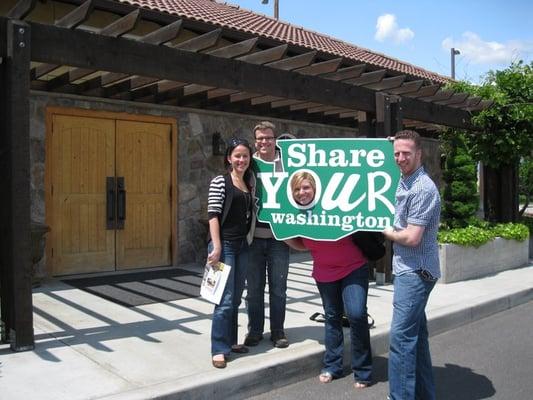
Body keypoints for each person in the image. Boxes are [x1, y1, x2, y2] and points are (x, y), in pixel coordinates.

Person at [286, 171, 372, 389]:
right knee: (332, 317)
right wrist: (284, 234)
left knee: (356, 314)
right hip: (324, 271)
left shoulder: (335, 203)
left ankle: (362, 370)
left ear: (315, 188)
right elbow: (302, 243)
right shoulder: (296, 213)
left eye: (306, 187)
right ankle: (332, 365)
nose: (302, 193)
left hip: (353, 267)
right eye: (297, 189)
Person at [382, 130, 441, 400]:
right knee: (416, 341)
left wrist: (386, 231)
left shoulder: (422, 188)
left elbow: (411, 237)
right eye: (397, 153)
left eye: (406, 153)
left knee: (401, 341)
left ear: (419, 154)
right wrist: (383, 146)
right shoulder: (405, 180)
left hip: (415, 272)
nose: (400, 158)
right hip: (410, 269)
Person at [207, 137, 256, 369]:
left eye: (245, 156)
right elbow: (213, 215)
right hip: (224, 246)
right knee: (224, 300)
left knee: (236, 298)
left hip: (242, 246)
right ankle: (219, 348)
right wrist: (216, 246)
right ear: (229, 158)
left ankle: (231, 342)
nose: (241, 160)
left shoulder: (248, 182)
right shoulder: (220, 181)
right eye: (237, 155)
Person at [245, 121, 292, 349]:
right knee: (253, 288)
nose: (264, 142)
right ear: (256, 141)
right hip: (254, 238)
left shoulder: (288, 164)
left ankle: (277, 331)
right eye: (260, 138)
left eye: (268, 138)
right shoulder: (248, 164)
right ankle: (254, 330)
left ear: (276, 140)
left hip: (279, 239)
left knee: (278, 288)